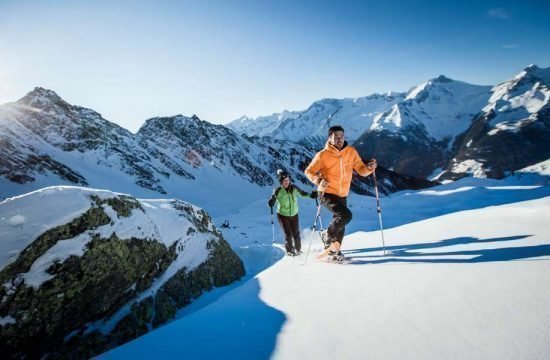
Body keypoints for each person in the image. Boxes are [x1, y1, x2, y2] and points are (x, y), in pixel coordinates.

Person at [305, 125, 377, 261]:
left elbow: (361, 170)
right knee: (345, 215)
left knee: (340, 221)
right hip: (326, 192)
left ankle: (334, 251)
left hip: (342, 194)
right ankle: (328, 235)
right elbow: (308, 171)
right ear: (330, 138)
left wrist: (369, 168)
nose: (339, 139)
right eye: (336, 137)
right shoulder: (322, 155)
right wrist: (319, 180)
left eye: (342, 136)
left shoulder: (351, 152)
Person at [268, 169, 317, 256]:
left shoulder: (294, 188)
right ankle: (290, 251)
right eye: (285, 180)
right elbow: (272, 201)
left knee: (296, 233)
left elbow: (302, 193)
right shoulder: (277, 191)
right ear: (281, 182)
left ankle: (298, 250)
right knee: (288, 234)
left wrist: (312, 195)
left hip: (294, 214)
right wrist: (270, 203)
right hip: (282, 215)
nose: (287, 182)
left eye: (288, 180)